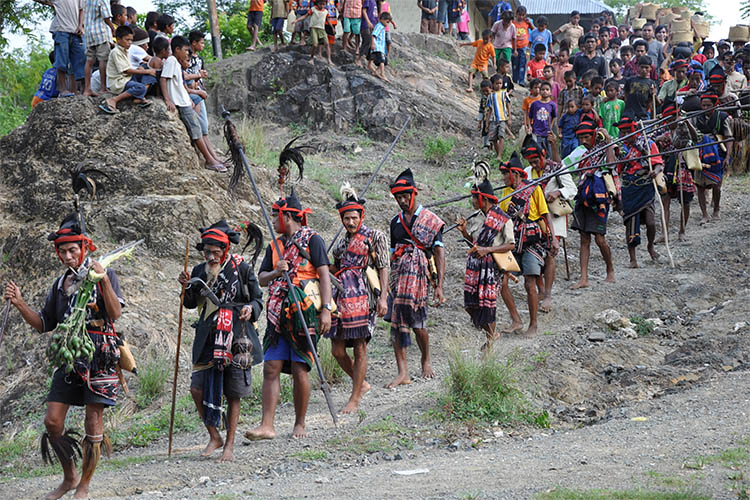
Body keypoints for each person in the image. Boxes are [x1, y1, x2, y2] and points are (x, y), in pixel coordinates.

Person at [4, 214, 124, 500]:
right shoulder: (61, 283)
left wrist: (103, 279)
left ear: (85, 248)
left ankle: (84, 485)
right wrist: (20, 303)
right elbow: (45, 324)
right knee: (53, 422)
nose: (68, 256)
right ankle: (69, 476)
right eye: (63, 251)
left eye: (73, 250)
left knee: (93, 421)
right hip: (69, 354)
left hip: (98, 352)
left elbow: (115, 314)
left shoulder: (104, 274)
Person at [246, 189, 332, 440]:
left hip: (305, 311)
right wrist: (276, 271)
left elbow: (324, 274)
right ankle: (267, 425)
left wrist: (326, 310)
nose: (273, 221)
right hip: (277, 313)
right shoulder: (274, 245)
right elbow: (261, 279)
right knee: (271, 366)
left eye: (276, 216)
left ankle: (300, 424)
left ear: (289, 217)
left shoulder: (313, 240)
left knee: (299, 367)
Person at [178, 221, 263, 462]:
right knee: (196, 388)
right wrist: (185, 288)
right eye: (208, 252)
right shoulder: (198, 270)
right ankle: (215, 435)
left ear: (225, 251)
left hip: (236, 335)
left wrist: (249, 308)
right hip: (206, 337)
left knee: (232, 392)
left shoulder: (242, 269)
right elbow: (189, 304)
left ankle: (230, 445)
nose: (212, 256)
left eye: (216, 252)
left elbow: (258, 300)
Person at [327, 185, 389, 413]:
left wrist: (383, 297)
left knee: (360, 346)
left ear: (361, 216)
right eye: (346, 218)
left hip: (364, 297)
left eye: (354, 218)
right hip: (342, 298)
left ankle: (354, 398)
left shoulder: (374, 236)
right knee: (337, 350)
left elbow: (383, 267)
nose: (350, 223)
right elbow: (336, 267)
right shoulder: (342, 243)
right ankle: (361, 383)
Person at [387, 168, 445, 388]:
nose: (402, 201)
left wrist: (439, 285)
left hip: (419, 277)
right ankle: (403, 372)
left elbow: (439, 253)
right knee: (396, 323)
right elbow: (393, 254)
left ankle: (425, 359)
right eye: (398, 197)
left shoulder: (430, 220)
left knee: (418, 324)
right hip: (399, 278)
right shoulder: (395, 222)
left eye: (404, 196)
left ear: (414, 194)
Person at [498, 152, 558, 337]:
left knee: (529, 283)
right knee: (502, 281)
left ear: (515, 174)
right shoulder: (506, 192)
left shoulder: (533, 189)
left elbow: (544, 214)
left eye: (506, 174)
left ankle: (533, 325)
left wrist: (553, 237)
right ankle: (516, 320)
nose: (503, 178)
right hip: (513, 242)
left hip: (532, 241)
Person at [456, 176, 514, 352]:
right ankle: (491, 335)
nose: (473, 201)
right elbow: (475, 243)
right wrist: (465, 232)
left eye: (475, 197)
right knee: (470, 305)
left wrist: (488, 250)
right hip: (474, 267)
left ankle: (490, 342)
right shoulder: (476, 217)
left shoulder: (503, 219)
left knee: (488, 306)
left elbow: (511, 244)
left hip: (491, 268)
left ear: (484, 199)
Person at [522, 134, 574, 313]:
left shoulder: (557, 168)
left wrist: (558, 192)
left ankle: (548, 296)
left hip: (553, 217)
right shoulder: (527, 172)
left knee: (550, 254)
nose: (534, 165)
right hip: (534, 218)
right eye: (531, 162)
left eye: (536, 161)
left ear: (543, 156)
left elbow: (572, 189)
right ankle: (541, 289)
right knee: (534, 253)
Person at [160, 36, 227, 172]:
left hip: (185, 101)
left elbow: (181, 84)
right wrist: (167, 99)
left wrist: (190, 97)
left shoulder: (176, 63)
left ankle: (213, 158)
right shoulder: (171, 61)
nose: (187, 53)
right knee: (196, 131)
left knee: (199, 129)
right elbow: (163, 79)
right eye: (185, 50)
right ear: (177, 49)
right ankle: (209, 160)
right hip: (181, 103)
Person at [570, 120, 616, 288]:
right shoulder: (583, 154)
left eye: (587, 137)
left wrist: (609, 142)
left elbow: (611, 164)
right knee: (584, 238)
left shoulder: (604, 150)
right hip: (583, 196)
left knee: (599, 238)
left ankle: (610, 269)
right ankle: (584, 278)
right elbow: (565, 166)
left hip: (599, 198)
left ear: (594, 135)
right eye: (580, 137)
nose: (583, 141)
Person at [613, 115, 663, 267]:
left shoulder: (647, 144)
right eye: (623, 131)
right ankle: (632, 259)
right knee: (630, 223)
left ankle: (650, 246)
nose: (626, 133)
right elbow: (616, 169)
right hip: (629, 188)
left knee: (651, 222)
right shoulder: (620, 148)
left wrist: (655, 171)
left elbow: (659, 163)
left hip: (645, 187)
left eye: (628, 130)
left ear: (634, 129)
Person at [653, 101, 698, 240]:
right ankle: (663, 233)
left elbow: (696, 138)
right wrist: (657, 139)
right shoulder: (661, 129)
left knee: (685, 200)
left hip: (682, 166)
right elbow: (650, 142)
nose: (671, 123)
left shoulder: (684, 126)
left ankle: (682, 230)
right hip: (666, 166)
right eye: (668, 120)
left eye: (673, 119)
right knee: (664, 199)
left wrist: (687, 123)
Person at [97, 25, 155, 113]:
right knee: (142, 86)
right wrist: (145, 71)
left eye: (131, 40)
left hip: (128, 78)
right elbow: (126, 70)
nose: (130, 42)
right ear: (119, 39)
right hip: (119, 82)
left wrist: (142, 69)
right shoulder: (116, 52)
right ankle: (114, 100)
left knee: (151, 74)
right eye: (127, 40)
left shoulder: (125, 50)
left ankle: (139, 96)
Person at [694, 91, 732, 222]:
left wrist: (727, 157)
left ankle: (716, 209)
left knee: (716, 184)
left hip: (718, 153)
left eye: (708, 105)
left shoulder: (723, 117)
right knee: (699, 185)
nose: (705, 108)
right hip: (701, 153)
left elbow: (728, 138)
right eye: (703, 105)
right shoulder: (697, 117)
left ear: (715, 105)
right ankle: (704, 214)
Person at [37, 0, 84, 96]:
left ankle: (78, 90)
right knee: (62, 60)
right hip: (61, 29)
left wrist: (80, 25)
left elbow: (81, 9)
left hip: (75, 30)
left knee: (79, 60)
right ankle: (63, 90)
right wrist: (52, 4)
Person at [83, 0, 115, 96]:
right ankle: (103, 88)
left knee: (89, 61)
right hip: (101, 32)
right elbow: (106, 17)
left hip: (89, 33)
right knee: (103, 60)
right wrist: (112, 28)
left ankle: (87, 89)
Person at [293, 0, 332, 64]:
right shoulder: (313, 9)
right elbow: (305, 16)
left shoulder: (326, 11)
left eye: (323, 4)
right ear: (317, 3)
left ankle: (329, 60)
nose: (322, 6)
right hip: (313, 28)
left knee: (327, 44)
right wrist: (297, 20)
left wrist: (332, 28)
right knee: (315, 44)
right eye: (320, 4)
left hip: (322, 29)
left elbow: (328, 21)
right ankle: (311, 58)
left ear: (325, 4)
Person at [527, 80, 557, 156]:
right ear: (540, 91)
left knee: (549, 152)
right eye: (543, 90)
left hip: (547, 132)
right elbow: (530, 116)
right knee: (538, 151)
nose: (545, 91)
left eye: (547, 90)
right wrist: (530, 126)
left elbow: (553, 116)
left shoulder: (552, 105)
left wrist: (550, 126)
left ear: (550, 92)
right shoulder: (535, 104)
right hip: (537, 132)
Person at [623, 55, 656, 120]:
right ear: (638, 67)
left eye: (646, 67)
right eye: (642, 67)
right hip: (628, 113)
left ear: (650, 68)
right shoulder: (630, 80)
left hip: (642, 114)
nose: (644, 70)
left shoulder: (651, 83)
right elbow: (626, 95)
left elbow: (650, 101)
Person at [487, 73, 511, 158]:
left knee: (501, 136)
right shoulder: (490, 96)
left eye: (500, 83)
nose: (498, 85)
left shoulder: (504, 94)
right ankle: (498, 153)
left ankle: (499, 155)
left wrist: (509, 118)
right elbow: (489, 110)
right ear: (493, 84)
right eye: (496, 83)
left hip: (502, 118)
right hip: (493, 119)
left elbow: (508, 105)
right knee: (493, 138)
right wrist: (487, 123)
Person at [512, 5, 532, 86]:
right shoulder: (513, 23)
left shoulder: (526, 23)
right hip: (515, 47)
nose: (521, 16)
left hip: (525, 47)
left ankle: (521, 80)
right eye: (519, 14)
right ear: (516, 14)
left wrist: (530, 23)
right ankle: (515, 80)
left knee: (523, 63)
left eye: (523, 15)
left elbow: (534, 30)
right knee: (515, 63)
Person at [369, 11, 390, 79]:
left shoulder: (382, 27)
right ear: (382, 19)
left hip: (381, 48)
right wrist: (373, 44)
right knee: (382, 61)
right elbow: (373, 35)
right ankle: (382, 74)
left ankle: (375, 71)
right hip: (377, 47)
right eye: (387, 22)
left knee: (385, 62)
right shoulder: (379, 26)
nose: (387, 24)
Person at [357, 0, 378, 67]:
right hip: (366, 25)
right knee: (367, 40)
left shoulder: (375, 2)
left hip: (373, 25)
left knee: (372, 43)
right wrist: (368, 22)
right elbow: (363, 11)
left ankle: (369, 62)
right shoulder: (368, 0)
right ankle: (358, 59)